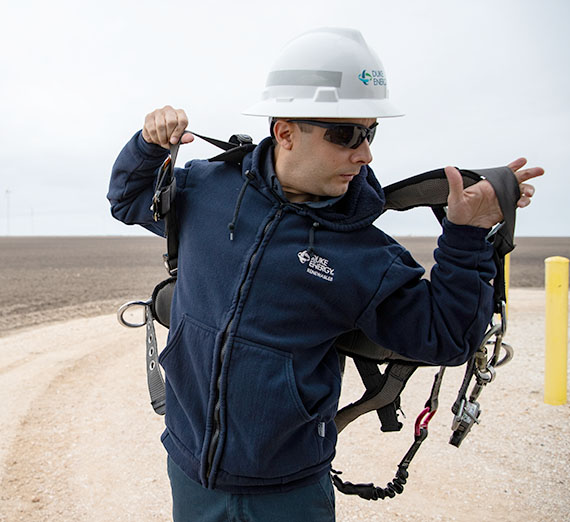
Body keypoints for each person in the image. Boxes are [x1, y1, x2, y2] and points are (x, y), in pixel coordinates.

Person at [108, 27, 543, 522]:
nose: (365, 153)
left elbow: (446, 336)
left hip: (289, 492)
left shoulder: (363, 252)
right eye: (345, 134)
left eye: (370, 132)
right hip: (188, 469)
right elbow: (127, 199)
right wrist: (148, 145)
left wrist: (468, 236)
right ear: (286, 131)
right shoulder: (207, 189)